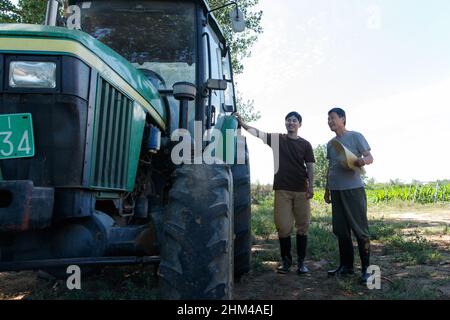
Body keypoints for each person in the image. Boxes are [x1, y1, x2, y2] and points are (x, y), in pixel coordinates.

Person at [235, 111, 315, 274]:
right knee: (283, 226)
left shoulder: (306, 144)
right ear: (285, 123)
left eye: (294, 120)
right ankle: (286, 262)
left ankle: (301, 263)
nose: (291, 123)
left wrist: (311, 187)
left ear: (300, 124)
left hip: (301, 190)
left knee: (302, 227)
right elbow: (258, 134)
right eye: (288, 120)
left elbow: (311, 166)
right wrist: (242, 124)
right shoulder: (277, 139)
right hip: (282, 190)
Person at [324, 107, 374, 284]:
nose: (330, 121)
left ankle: (368, 271)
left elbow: (370, 157)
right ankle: (346, 267)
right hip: (336, 191)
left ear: (343, 119)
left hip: (353, 190)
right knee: (341, 230)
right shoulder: (330, 144)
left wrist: (362, 161)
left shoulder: (355, 136)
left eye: (333, 118)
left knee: (360, 230)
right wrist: (327, 189)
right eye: (328, 119)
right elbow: (331, 168)